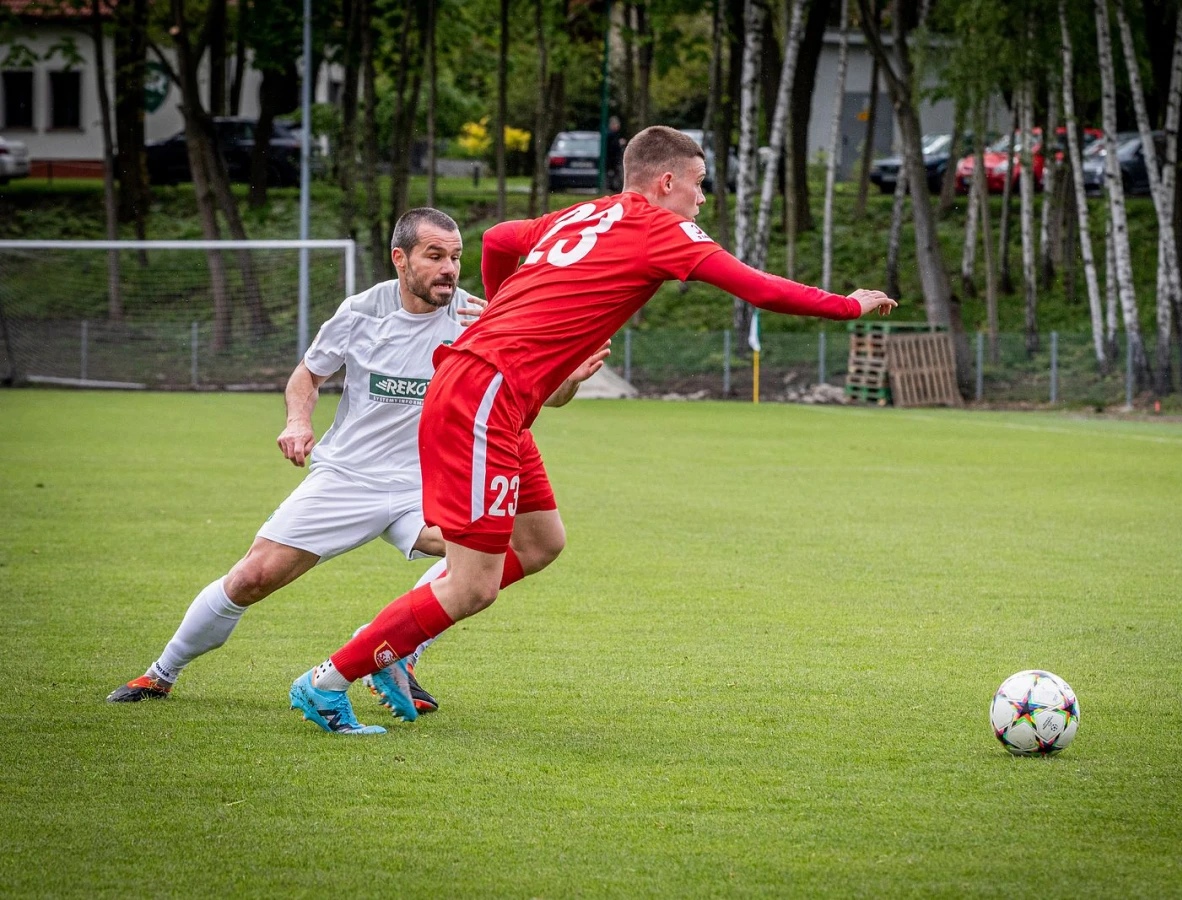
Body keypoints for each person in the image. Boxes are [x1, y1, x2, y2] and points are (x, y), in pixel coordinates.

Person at [289, 125, 896, 734]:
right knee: (473, 587)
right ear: (667, 181)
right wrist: (847, 304)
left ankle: (392, 645)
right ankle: (331, 679)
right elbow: (758, 288)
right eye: (699, 183)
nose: (702, 198)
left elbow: (499, 238)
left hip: (493, 394)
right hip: (484, 394)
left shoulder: (584, 214)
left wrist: (502, 307)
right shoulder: (664, 229)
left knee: (540, 542)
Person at [107, 207, 606, 713]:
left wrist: (568, 377)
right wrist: (298, 422)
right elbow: (308, 375)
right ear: (400, 258)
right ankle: (161, 673)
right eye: (435, 256)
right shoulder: (361, 312)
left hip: (426, 482)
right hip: (348, 476)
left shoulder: (480, 319)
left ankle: (393, 648)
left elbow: (539, 397)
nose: (449, 269)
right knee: (252, 577)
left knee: (480, 561)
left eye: (456, 257)